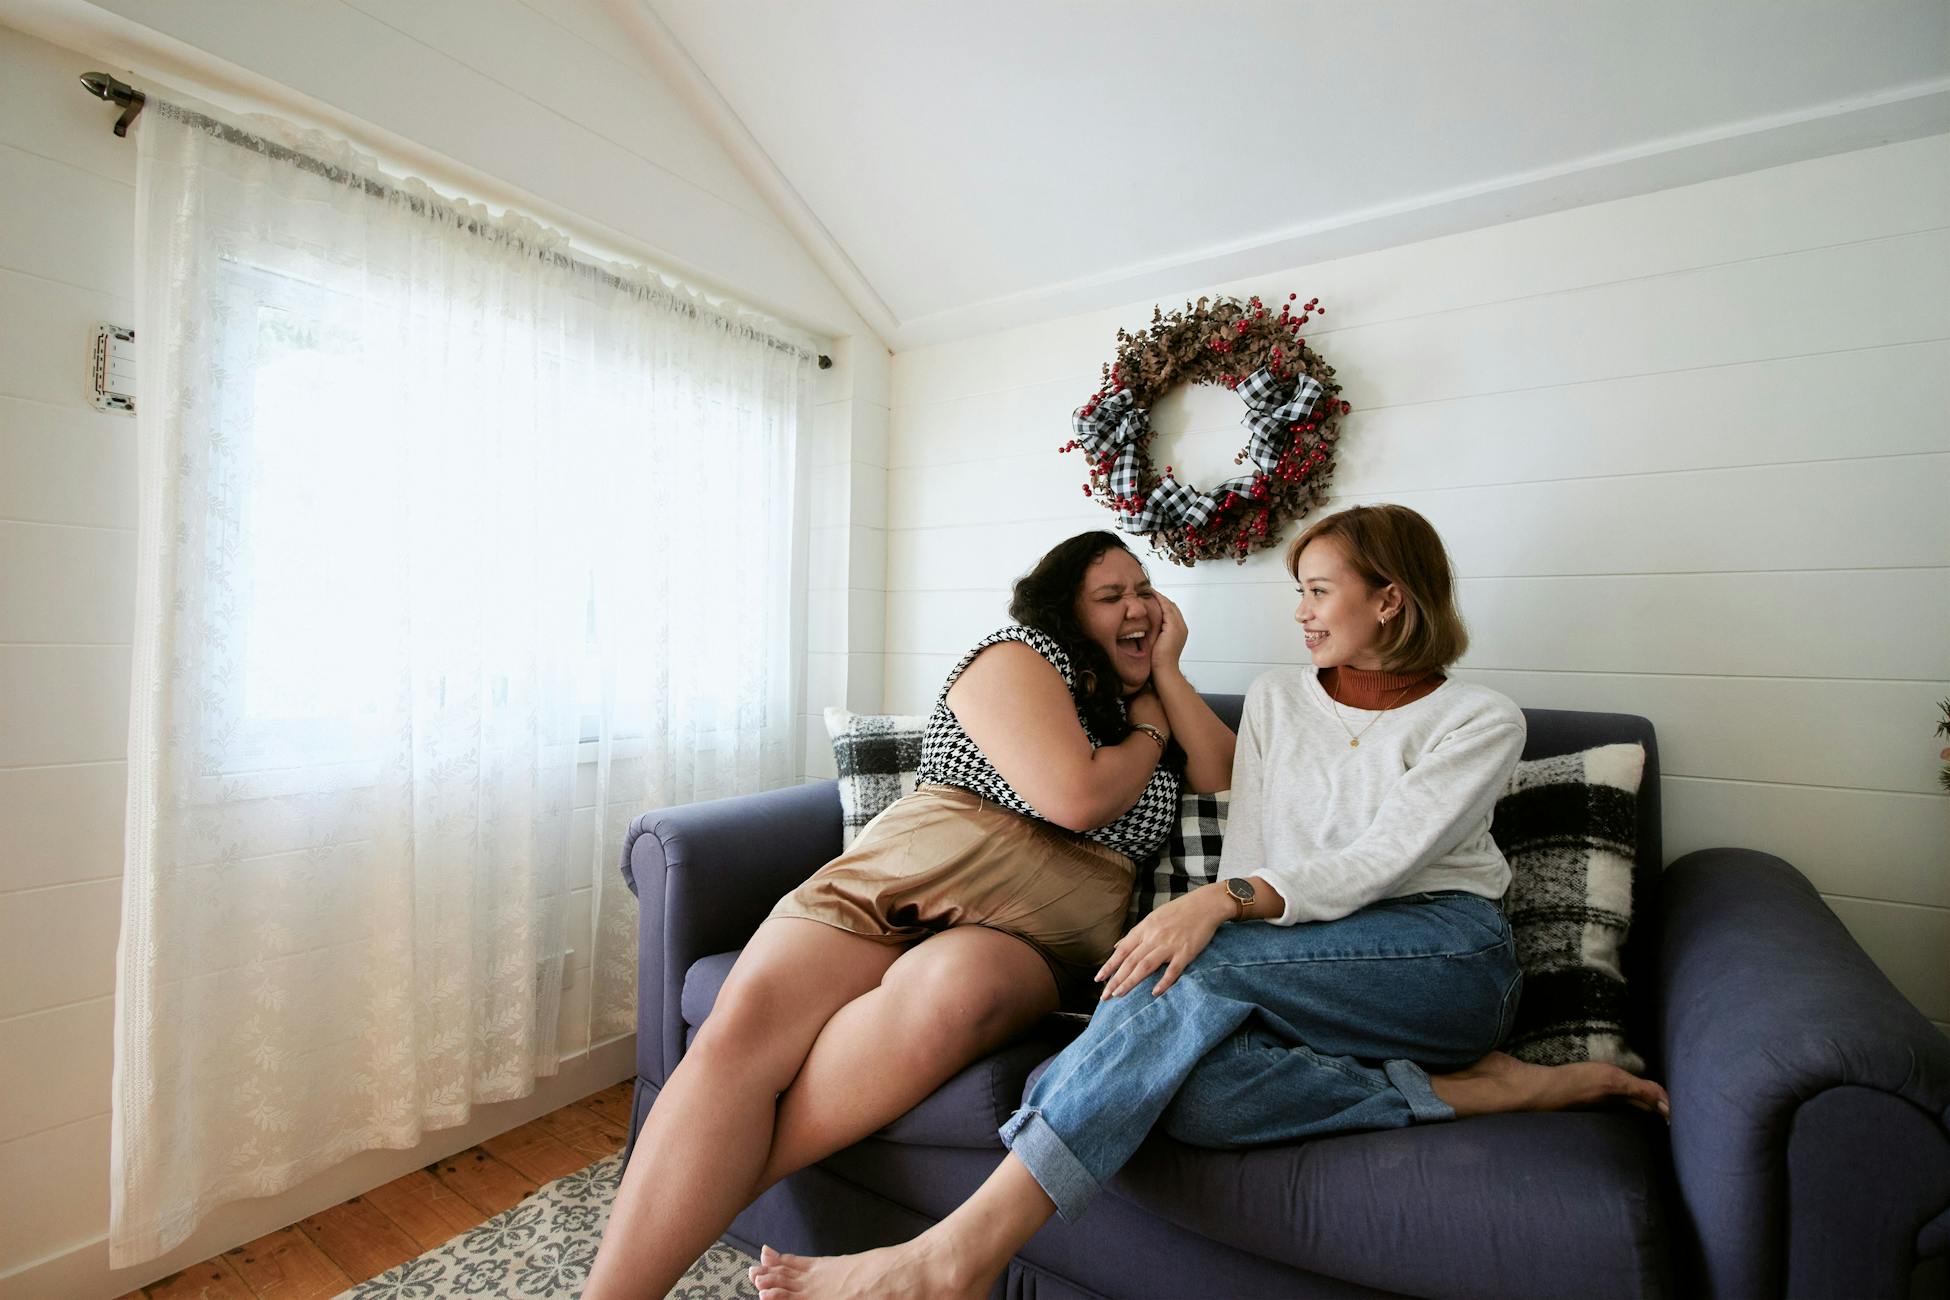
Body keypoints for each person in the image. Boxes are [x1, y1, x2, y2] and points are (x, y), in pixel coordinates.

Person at [750, 503, 1671, 1300]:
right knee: (1184, 1096)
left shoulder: (1479, 719)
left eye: (1319, 590)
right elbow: (1256, 833)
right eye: (1299, 591)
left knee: (1188, 965)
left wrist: (1220, 905)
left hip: (1444, 958)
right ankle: (1469, 1095)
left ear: (1389, 598)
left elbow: (1387, 859)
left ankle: (953, 1255)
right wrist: (1168, 676)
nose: (1301, 612)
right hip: (1301, 974)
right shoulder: (1277, 701)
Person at [581, 530, 1235, 1300]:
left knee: (954, 994)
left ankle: (694, 1192)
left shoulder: (1141, 704)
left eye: (1144, 591)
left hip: (1040, 920)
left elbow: (1221, 774)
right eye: (1112, 595)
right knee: (745, 1022)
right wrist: (1150, 730)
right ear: (1064, 611)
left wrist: (1165, 674)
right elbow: (1076, 796)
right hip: (923, 858)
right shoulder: (1020, 655)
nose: (1139, 606)